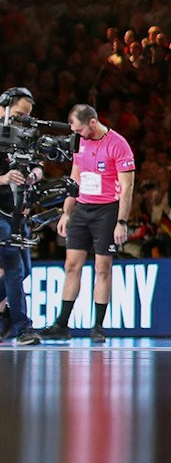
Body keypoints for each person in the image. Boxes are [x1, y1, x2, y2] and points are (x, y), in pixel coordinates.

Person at [43, 104, 137, 343]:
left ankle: (98, 327)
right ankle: (62, 325)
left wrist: (122, 222)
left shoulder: (118, 144)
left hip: (107, 211)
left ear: (93, 123)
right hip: (82, 210)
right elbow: (74, 178)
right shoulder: (79, 142)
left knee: (102, 268)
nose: (78, 135)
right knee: (71, 265)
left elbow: (127, 188)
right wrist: (66, 213)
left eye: (81, 129)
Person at [0, 87, 43, 344]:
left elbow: (38, 165)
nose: (21, 121)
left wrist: (34, 175)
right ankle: (23, 328)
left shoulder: (26, 136)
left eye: (26, 117)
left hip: (18, 211)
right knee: (15, 267)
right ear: (3, 108)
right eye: (17, 114)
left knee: (25, 269)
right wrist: (4, 178)